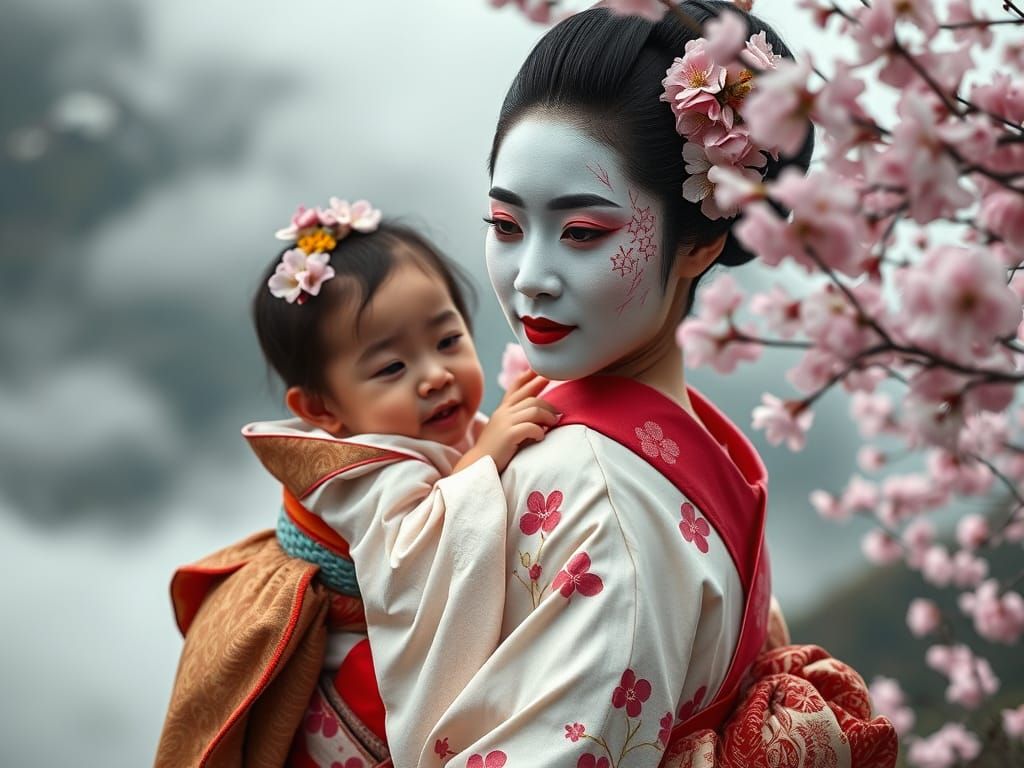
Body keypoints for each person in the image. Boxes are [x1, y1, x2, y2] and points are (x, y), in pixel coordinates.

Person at [313, 3, 898, 767]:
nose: (530, 280)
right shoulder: (689, 446)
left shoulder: (596, 500)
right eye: (505, 224)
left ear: (702, 242)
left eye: (584, 233)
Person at [155, 199, 559, 768]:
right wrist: (491, 457)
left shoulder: (444, 429)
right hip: (349, 702)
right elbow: (410, 558)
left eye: (447, 341)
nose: (435, 375)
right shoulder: (360, 471)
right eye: (392, 368)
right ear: (322, 410)